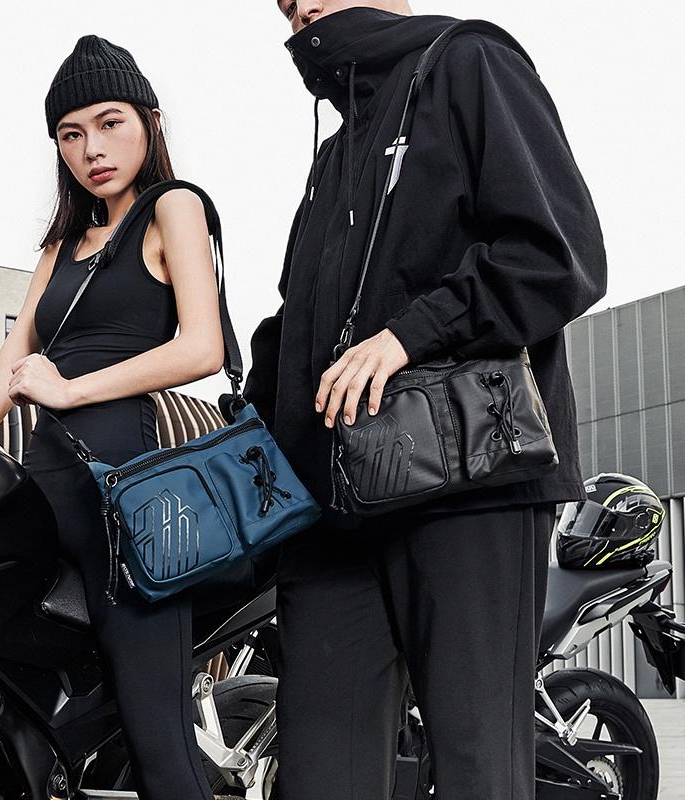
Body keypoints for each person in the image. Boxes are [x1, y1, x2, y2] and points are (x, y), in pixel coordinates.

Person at [244, 2, 608, 798]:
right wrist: (241, 432)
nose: (298, 7)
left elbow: (558, 254)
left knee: (478, 767)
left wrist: (409, 335)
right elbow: (297, 324)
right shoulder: (335, 153)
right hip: (335, 510)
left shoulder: (469, 63)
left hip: (469, 484)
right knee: (317, 776)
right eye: (283, 2)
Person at [0, 35, 224, 800]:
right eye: (71, 134)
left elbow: (202, 347)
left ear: (149, 121)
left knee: (157, 745)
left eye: (110, 124)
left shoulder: (173, 207)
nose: (92, 149)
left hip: (126, 502)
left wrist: (71, 390)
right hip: (39, 491)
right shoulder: (62, 245)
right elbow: (9, 367)